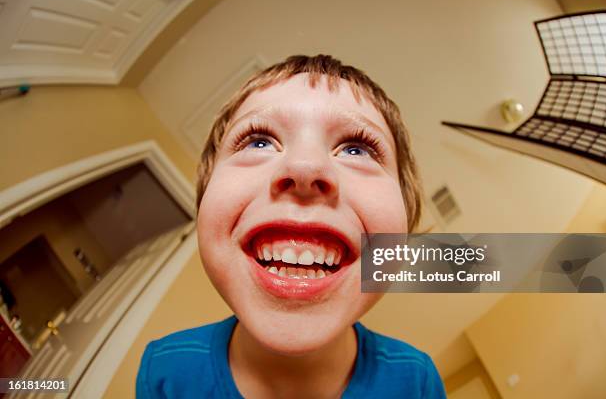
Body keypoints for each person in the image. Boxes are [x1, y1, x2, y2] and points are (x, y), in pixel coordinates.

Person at [136, 54, 446, 398]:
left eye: (357, 149)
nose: (304, 166)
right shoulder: (164, 371)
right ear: (205, 196)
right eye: (258, 141)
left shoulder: (417, 382)